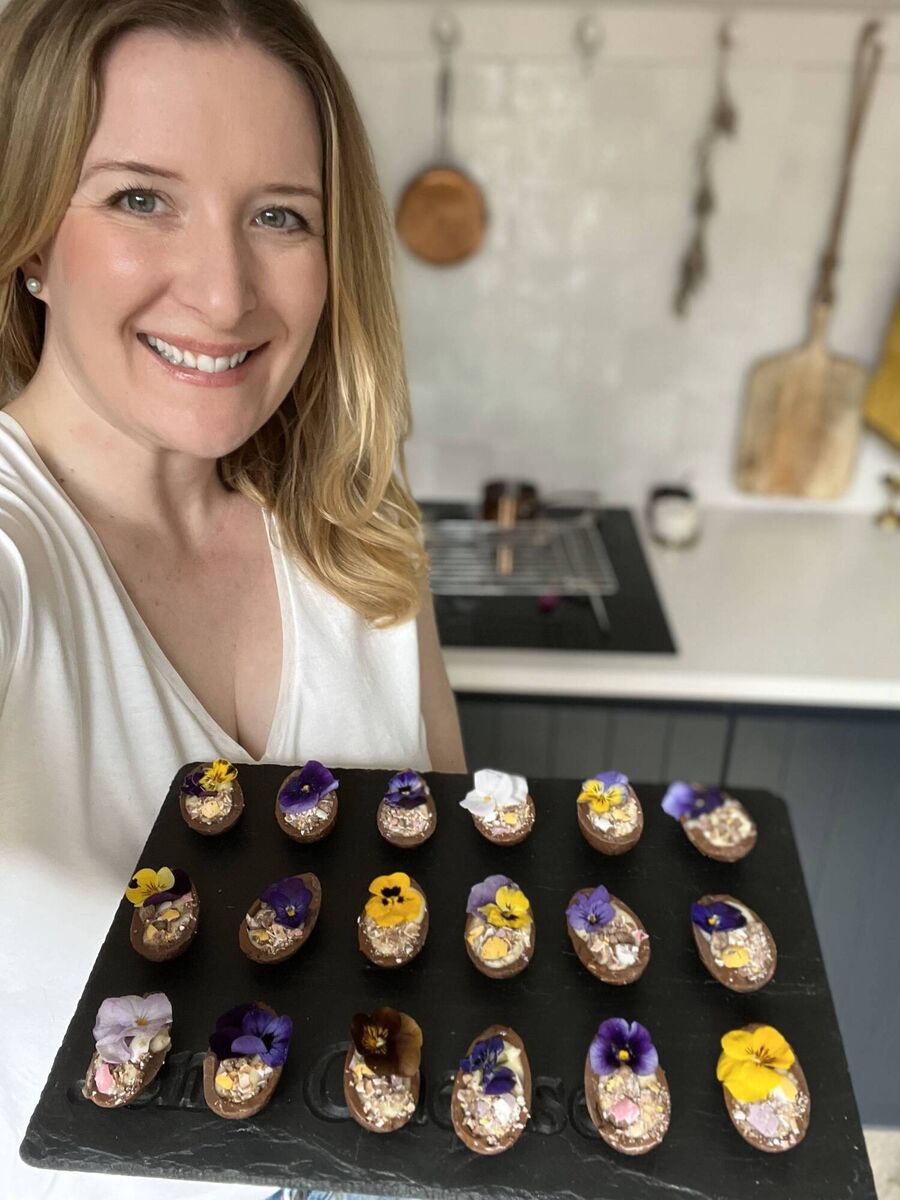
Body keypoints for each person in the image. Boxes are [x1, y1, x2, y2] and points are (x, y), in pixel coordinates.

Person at [0, 1, 466, 1198]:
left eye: (278, 217)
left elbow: (450, 933)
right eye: (140, 197)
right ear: (30, 240)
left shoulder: (360, 549)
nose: (222, 291)